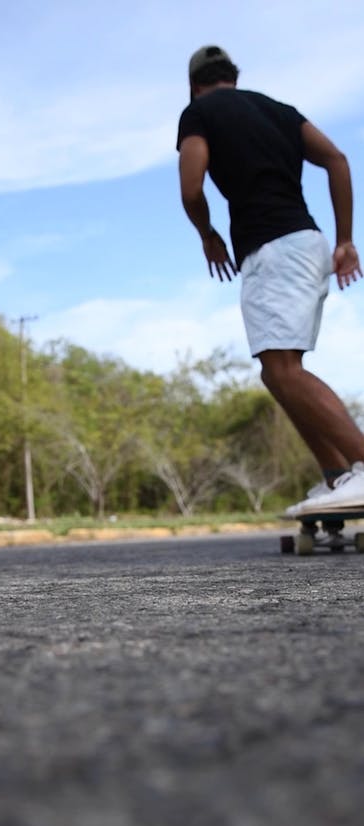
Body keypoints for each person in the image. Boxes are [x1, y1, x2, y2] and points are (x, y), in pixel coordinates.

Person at [177, 45, 364, 516]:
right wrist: (345, 240)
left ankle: (362, 464)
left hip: (274, 248)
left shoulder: (199, 112)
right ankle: (338, 475)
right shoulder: (278, 110)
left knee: (284, 369)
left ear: (194, 83)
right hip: (306, 243)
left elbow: (191, 186)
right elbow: (337, 159)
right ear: (232, 77)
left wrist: (207, 235)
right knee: (275, 372)